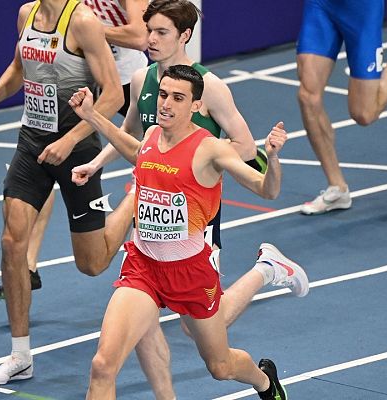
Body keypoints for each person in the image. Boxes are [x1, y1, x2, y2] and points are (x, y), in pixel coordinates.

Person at [70, 1, 308, 398]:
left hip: (190, 266)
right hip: (143, 266)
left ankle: (265, 380)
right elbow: (133, 145)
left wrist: (273, 156)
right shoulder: (149, 131)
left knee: (219, 365)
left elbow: (267, 189)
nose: (164, 103)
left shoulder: (211, 144)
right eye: (163, 96)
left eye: (177, 99)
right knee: (101, 366)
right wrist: (93, 120)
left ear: (196, 105)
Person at [0, 0, 134, 385]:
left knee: (91, 264)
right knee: (12, 242)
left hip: (75, 149)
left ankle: (137, 195)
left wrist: (72, 138)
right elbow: (18, 69)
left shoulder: (83, 22)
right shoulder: (27, 14)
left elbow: (112, 95)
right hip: (32, 143)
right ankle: (20, 355)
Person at [0, 0, 150, 301]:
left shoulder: (84, 20)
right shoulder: (43, 10)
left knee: (155, 155)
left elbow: (139, 37)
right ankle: (29, 264)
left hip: (126, 82)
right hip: (78, 83)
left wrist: (86, 31)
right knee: (43, 163)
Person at [297, 0, 387, 215]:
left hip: (361, 9)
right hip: (322, 5)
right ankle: (338, 188)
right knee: (308, 96)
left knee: (364, 114)